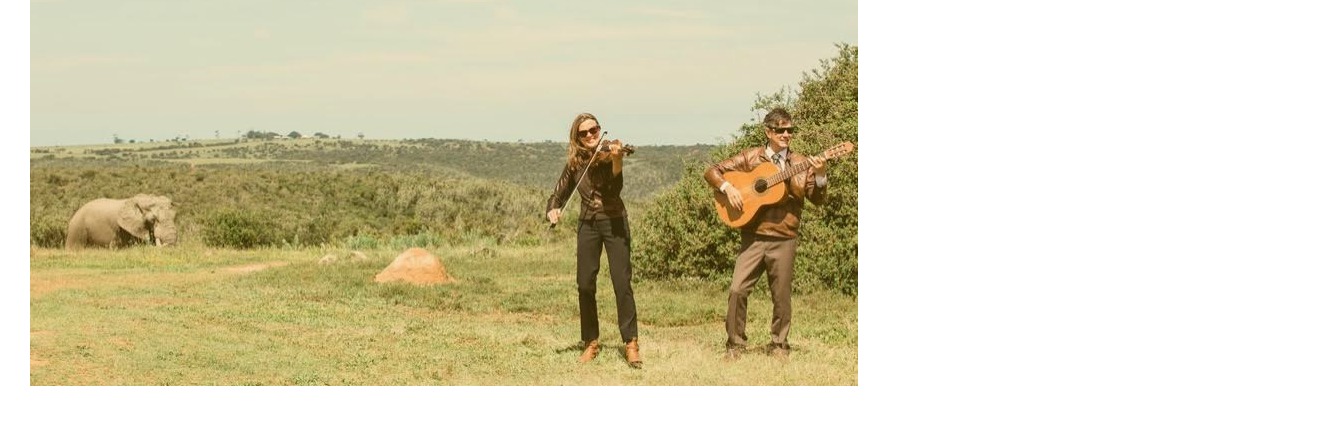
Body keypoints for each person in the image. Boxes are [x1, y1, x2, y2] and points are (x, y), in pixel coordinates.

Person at [704, 107, 828, 360]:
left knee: (781, 294)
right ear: (768, 131)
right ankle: (735, 344)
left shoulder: (800, 163)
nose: (786, 134)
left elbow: (818, 199)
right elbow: (712, 171)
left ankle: (779, 344)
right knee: (737, 289)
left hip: (784, 236)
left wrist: (821, 174)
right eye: (781, 130)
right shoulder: (751, 158)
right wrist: (728, 188)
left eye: (790, 130)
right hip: (753, 235)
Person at [546, 112, 641, 368]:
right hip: (587, 225)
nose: (591, 136)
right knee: (585, 284)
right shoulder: (576, 164)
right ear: (576, 137)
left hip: (614, 222)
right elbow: (559, 193)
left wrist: (618, 159)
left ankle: (631, 343)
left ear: (600, 130)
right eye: (584, 133)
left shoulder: (611, 154)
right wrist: (553, 209)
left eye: (594, 130)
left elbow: (614, 188)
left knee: (622, 282)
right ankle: (591, 342)